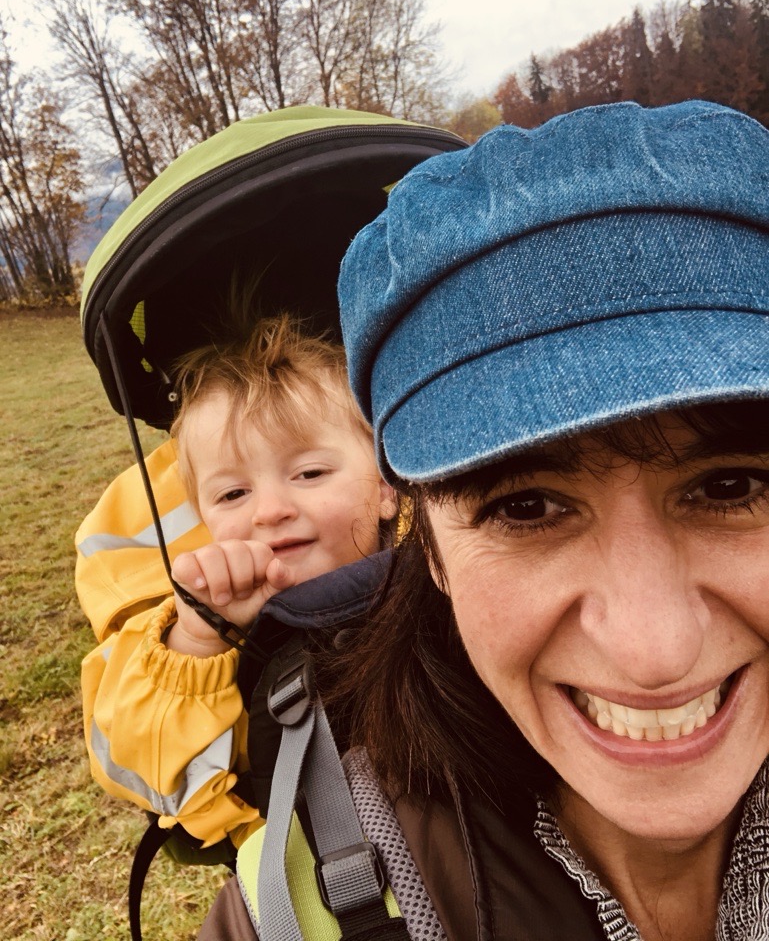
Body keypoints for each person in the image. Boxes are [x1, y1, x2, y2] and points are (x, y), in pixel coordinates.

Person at [199, 99, 769, 941]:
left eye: (727, 488)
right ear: (426, 548)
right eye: (527, 507)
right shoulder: (297, 909)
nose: (655, 652)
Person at [80, 315, 397, 851]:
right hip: (307, 866)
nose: (270, 512)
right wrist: (197, 640)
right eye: (232, 496)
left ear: (387, 485)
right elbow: (144, 768)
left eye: (310, 474)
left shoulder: (443, 564)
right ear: (203, 512)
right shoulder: (196, 623)